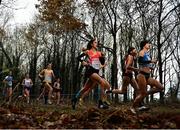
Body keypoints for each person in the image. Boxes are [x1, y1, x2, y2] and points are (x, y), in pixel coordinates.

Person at [72, 38, 110, 110]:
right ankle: (101, 103)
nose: (97, 44)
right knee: (102, 82)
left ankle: (75, 98)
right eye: (95, 43)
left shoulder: (99, 53)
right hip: (90, 71)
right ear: (92, 44)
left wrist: (103, 57)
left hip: (96, 72)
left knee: (86, 88)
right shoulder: (88, 51)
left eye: (97, 43)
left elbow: (102, 62)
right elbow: (78, 58)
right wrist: (83, 62)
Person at [132, 40, 164, 113]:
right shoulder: (142, 52)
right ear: (144, 45)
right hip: (141, 75)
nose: (149, 45)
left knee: (160, 87)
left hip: (147, 75)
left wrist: (150, 67)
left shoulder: (147, 54)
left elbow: (145, 64)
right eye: (148, 44)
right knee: (142, 93)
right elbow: (139, 61)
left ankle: (145, 93)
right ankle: (133, 107)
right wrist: (151, 61)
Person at [106, 47, 139, 113]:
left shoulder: (130, 56)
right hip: (127, 76)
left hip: (129, 76)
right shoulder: (130, 56)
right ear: (131, 51)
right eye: (134, 50)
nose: (136, 51)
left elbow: (125, 66)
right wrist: (136, 69)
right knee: (123, 91)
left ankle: (138, 104)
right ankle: (136, 106)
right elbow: (127, 67)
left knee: (137, 89)